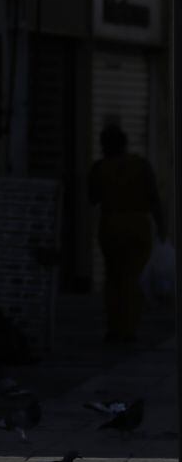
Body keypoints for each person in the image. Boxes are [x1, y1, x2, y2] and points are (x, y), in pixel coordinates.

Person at [88, 122, 164, 344]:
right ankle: (129, 328)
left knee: (113, 277)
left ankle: (114, 328)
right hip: (138, 225)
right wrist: (162, 228)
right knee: (132, 278)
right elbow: (154, 199)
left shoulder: (100, 168)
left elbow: (92, 198)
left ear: (104, 146)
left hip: (111, 225)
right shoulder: (141, 165)